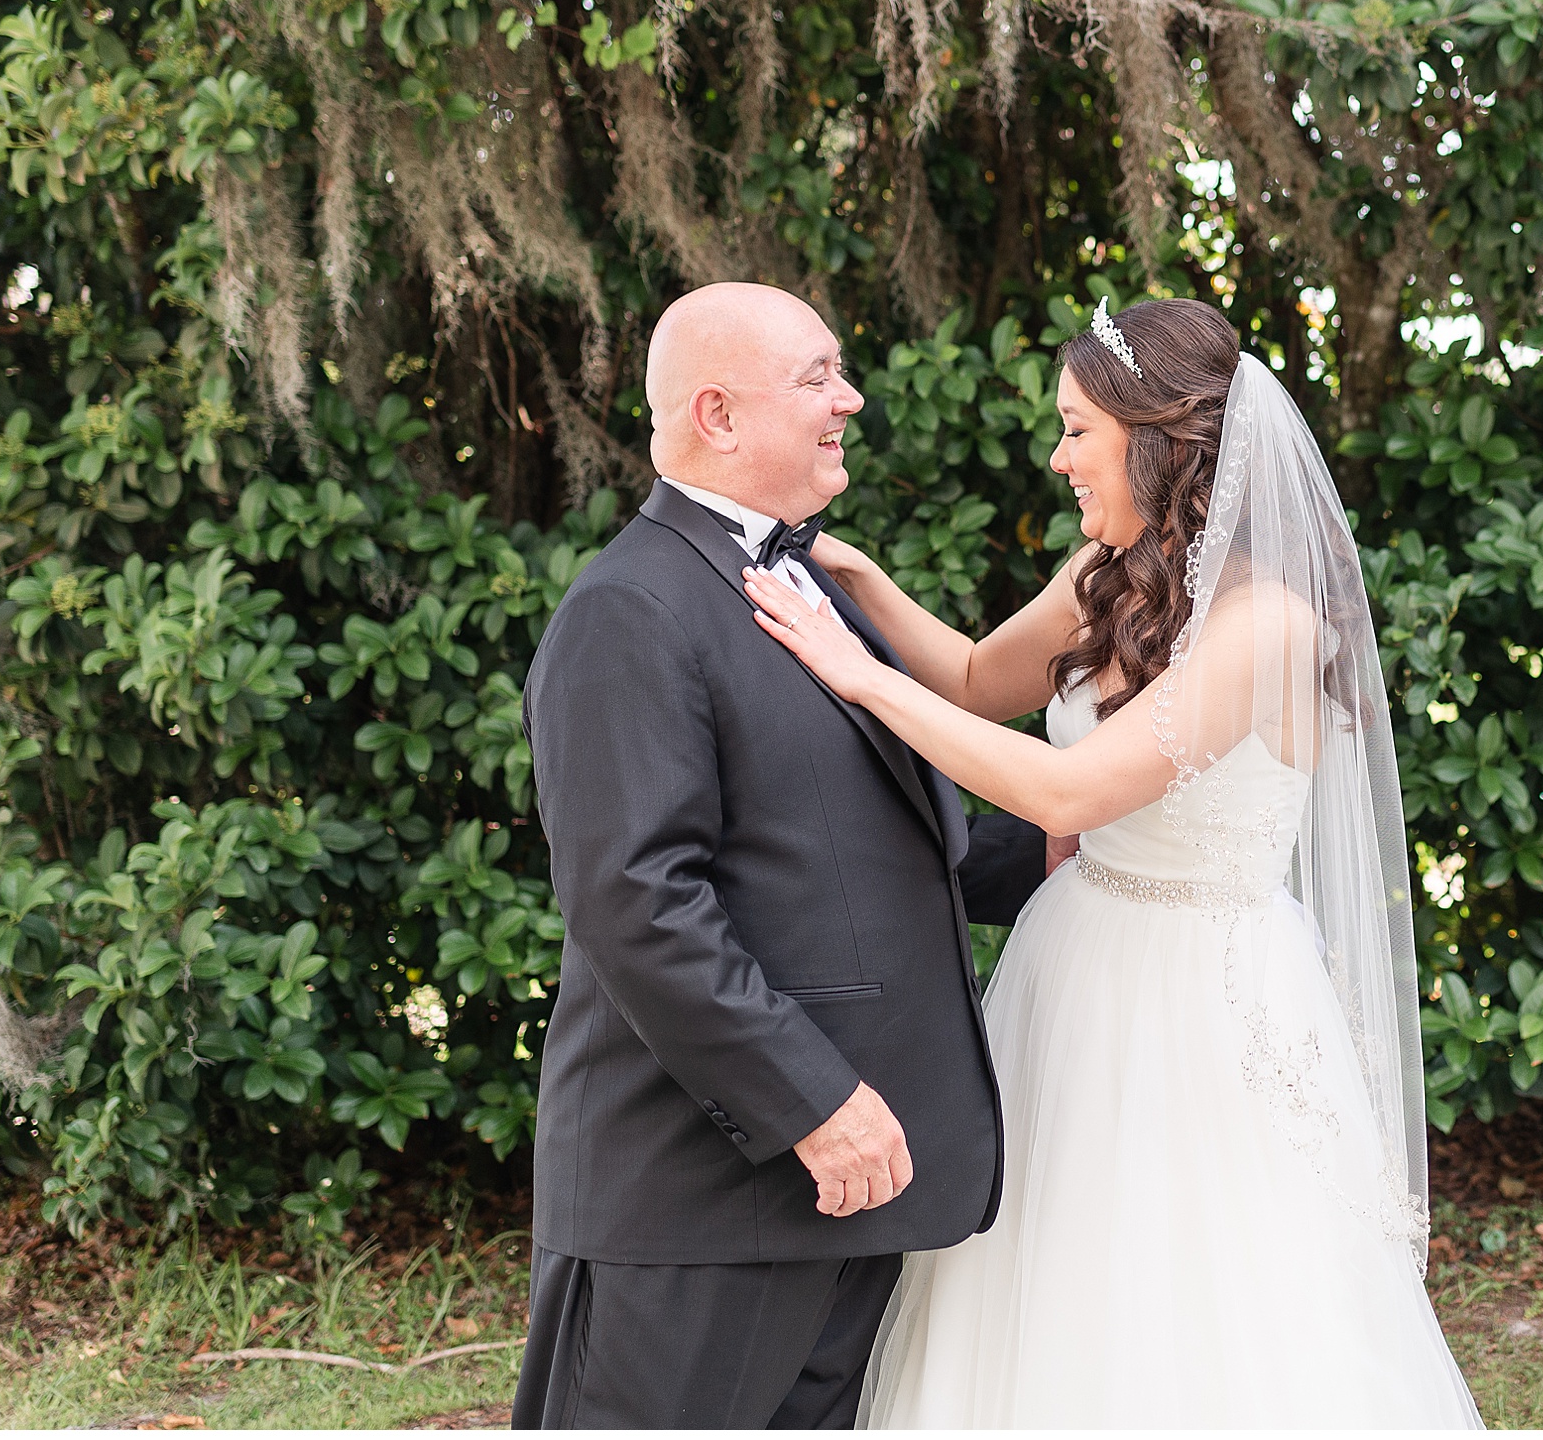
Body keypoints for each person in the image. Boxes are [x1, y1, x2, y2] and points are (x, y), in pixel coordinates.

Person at [742, 296, 1485, 1428]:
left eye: (1078, 427)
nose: (1058, 456)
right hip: (1075, 965)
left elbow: (1065, 790)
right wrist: (861, 584)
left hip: (1202, 998)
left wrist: (858, 675)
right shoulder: (1113, 568)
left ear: (1159, 434)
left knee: (1192, 1289)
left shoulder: (1269, 621)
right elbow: (987, 678)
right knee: (1040, 1276)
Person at [511, 281, 1048, 1429]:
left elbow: (860, 846)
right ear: (718, 413)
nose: (848, 397)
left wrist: (1059, 837)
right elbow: (637, 902)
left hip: (847, 1190)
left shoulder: (796, 577)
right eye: (817, 376)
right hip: (708, 1201)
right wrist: (812, 1102)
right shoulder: (629, 610)